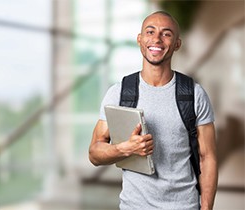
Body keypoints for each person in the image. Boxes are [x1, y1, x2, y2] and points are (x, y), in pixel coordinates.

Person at [89, 11, 218, 210]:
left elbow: (207, 156)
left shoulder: (194, 94)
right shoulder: (120, 93)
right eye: (150, 32)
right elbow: (94, 153)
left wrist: (207, 207)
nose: (156, 39)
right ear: (140, 40)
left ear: (177, 44)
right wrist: (125, 149)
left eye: (166, 34)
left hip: (184, 205)